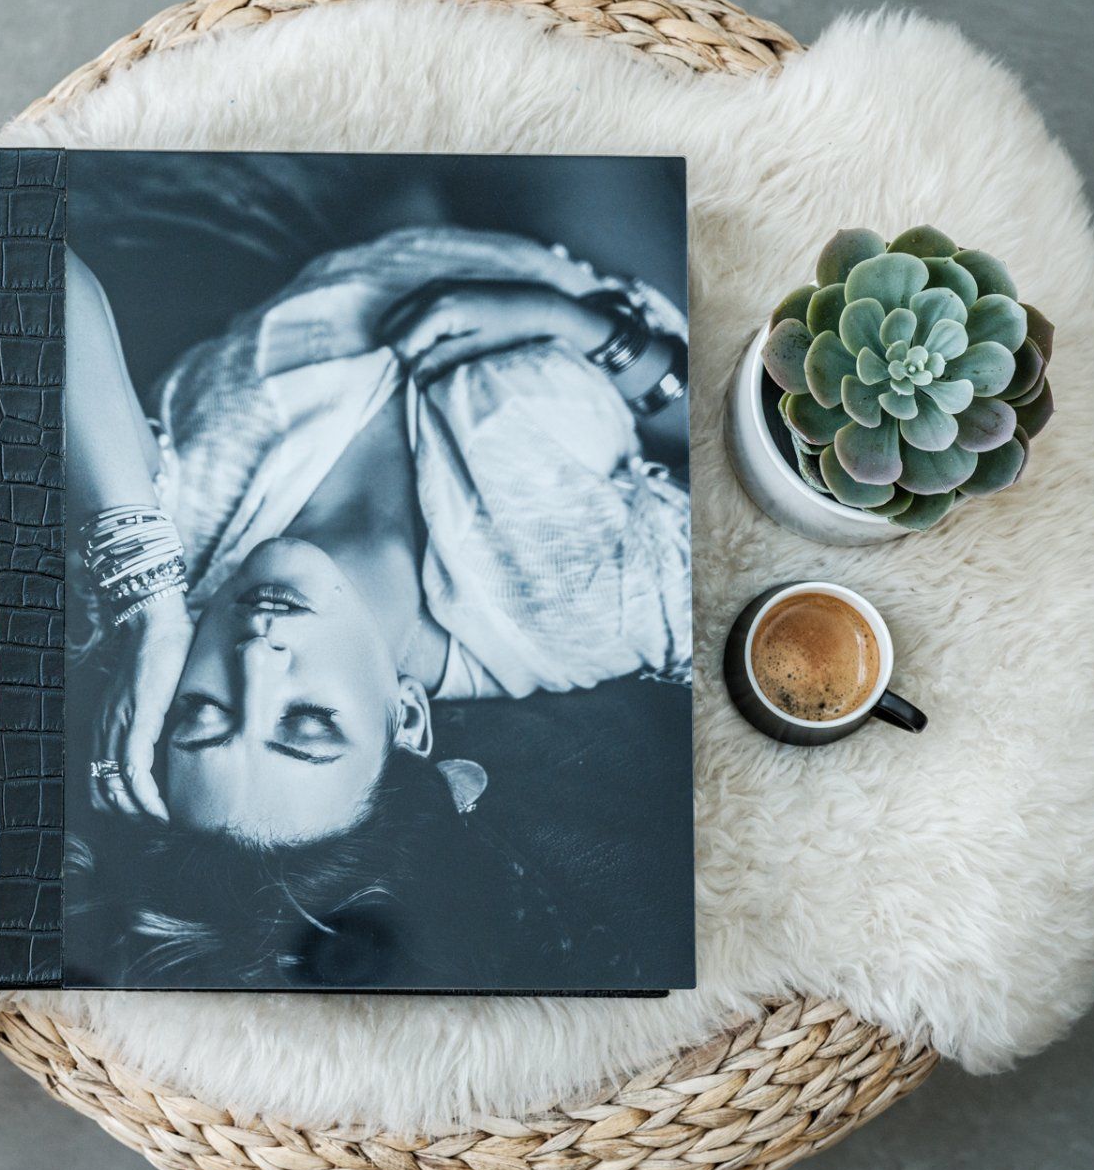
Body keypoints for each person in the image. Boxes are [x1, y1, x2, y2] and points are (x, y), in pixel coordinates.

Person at [66, 226, 691, 849]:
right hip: (581, 243)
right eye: (307, 721)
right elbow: (722, 454)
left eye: (204, 712)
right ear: (409, 720)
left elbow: (40, 264)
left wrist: (149, 612)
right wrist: (573, 322)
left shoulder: (164, 551)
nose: (257, 658)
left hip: (357, 203)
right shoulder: (582, 614)